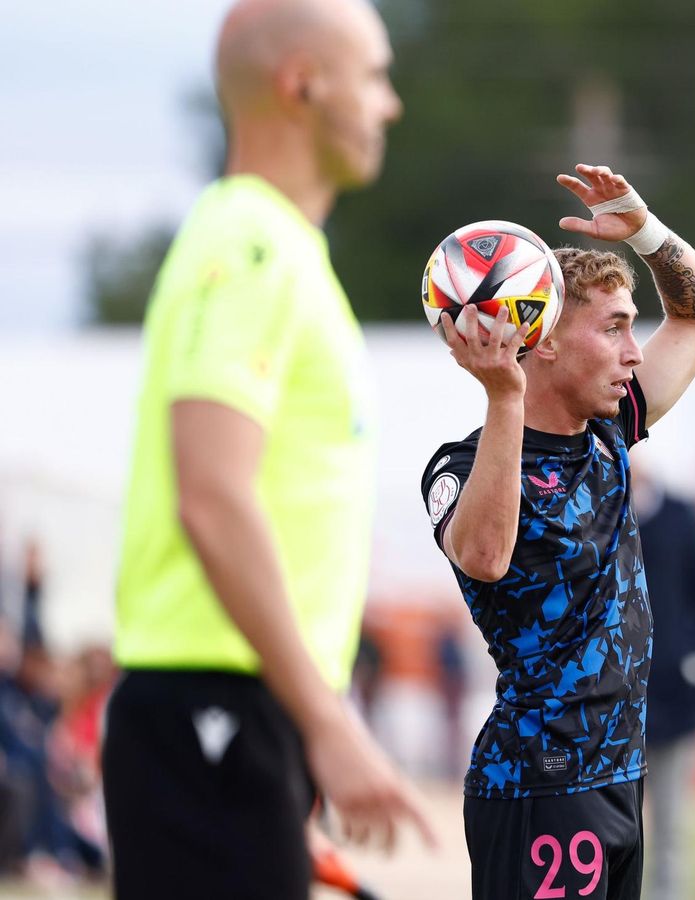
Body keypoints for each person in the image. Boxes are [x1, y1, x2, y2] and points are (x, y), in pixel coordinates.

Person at [103, 2, 431, 898]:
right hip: (212, 703)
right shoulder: (249, 246)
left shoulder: (280, 249)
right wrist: (326, 721)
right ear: (302, 83)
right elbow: (211, 492)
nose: (389, 105)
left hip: (240, 710)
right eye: (373, 76)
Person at [421, 163, 695, 900]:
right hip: (540, 788)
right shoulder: (461, 466)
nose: (635, 354)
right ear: (547, 341)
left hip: (621, 777)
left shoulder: (608, 436)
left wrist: (647, 232)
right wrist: (506, 393)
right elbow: (485, 556)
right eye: (615, 328)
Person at [634, 460, 695, 900]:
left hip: (675, 693)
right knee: (618, 824)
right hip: (618, 698)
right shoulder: (602, 510)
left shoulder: (681, 515)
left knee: (671, 820)